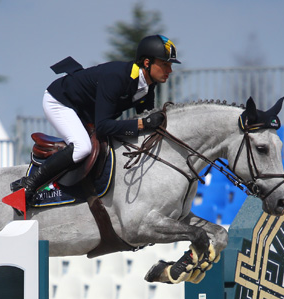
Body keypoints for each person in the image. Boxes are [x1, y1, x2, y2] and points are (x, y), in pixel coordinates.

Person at [11, 34, 180, 206]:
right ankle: (28, 186)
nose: (170, 70)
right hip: (60, 101)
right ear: (147, 63)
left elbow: (145, 121)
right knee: (82, 147)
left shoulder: (148, 85)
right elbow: (103, 126)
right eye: (165, 64)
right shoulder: (116, 77)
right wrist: (143, 123)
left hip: (84, 110)